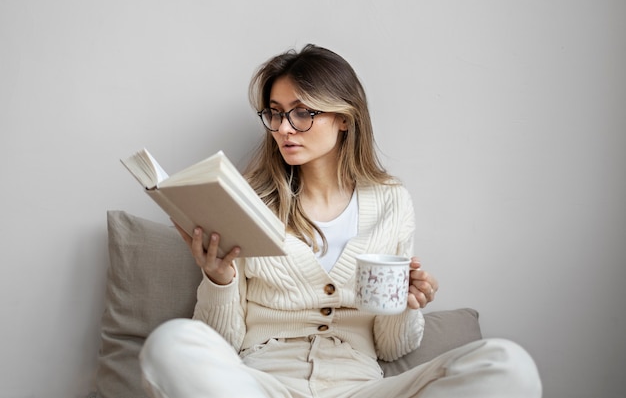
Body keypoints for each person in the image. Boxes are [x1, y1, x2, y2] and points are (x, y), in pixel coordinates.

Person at [139, 44, 542, 398]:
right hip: (264, 383)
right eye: (275, 114)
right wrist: (218, 280)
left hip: (361, 385)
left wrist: (403, 306)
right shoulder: (247, 202)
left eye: (302, 114)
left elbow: (391, 348)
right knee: (171, 344)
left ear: (345, 118)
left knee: (508, 364)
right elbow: (222, 344)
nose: (283, 129)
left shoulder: (391, 203)